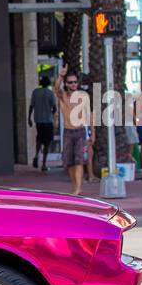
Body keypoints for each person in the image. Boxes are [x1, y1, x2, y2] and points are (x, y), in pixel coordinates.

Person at [55, 64, 89, 196]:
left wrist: (92, 133)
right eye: (70, 82)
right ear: (66, 84)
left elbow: (89, 115)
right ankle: (75, 186)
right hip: (68, 132)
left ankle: (78, 188)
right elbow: (56, 88)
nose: (73, 84)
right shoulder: (63, 96)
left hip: (80, 131)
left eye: (75, 82)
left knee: (79, 160)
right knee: (69, 162)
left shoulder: (83, 96)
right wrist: (60, 75)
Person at [28, 75, 57, 171]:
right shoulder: (50, 93)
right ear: (48, 83)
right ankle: (44, 164)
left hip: (38, 121)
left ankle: (36, 155)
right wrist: (51, 114)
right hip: (48, 121)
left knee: (39, 139)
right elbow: (54, 108)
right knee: (47, 142)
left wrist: (29, 118)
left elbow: (31, 106)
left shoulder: (35, 92)